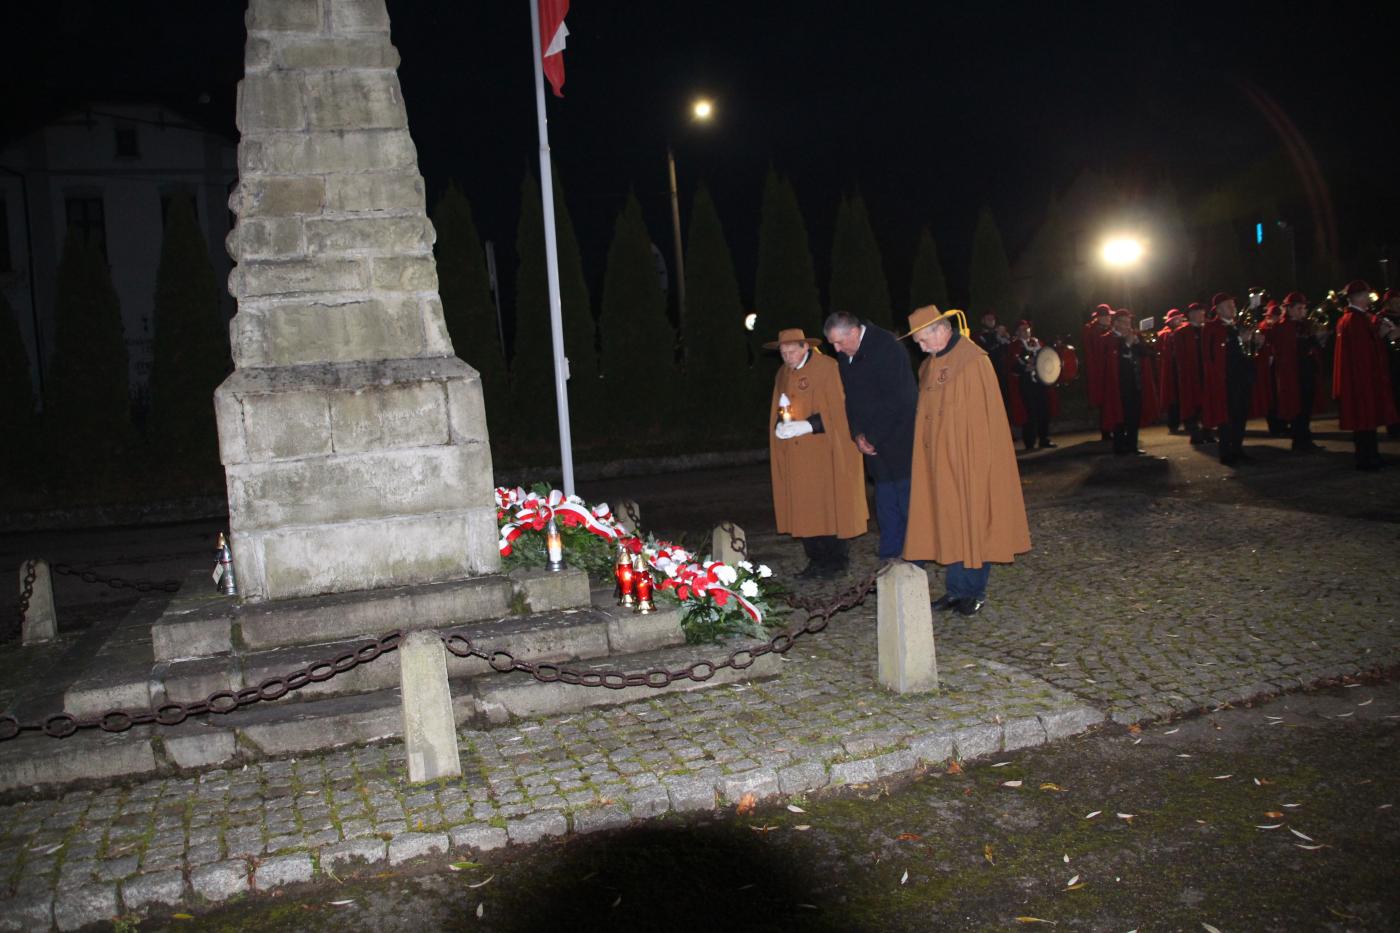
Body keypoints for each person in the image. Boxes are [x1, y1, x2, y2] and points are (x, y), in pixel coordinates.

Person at [901, 305, 1031, 616]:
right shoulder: (929, 365)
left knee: (973, 521)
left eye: (923, 340)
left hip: (969, 461)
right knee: (951, 523)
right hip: (939, 463)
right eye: (917, 343)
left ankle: (974, 591)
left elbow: (984, 419)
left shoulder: (972, 361)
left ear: (941, 330)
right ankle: (956, 590)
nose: (921, 348)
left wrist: (975, 463)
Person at [766, 328, 869, 579]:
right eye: (783, 353)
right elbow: (780, 407)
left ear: (805, 347)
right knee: (804, 508)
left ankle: (836, 561)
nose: (787, 357)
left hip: (824, 452)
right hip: (796, 456)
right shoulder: (783, 373)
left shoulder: (827, 368)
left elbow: (841, 411)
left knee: (828, 505)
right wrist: (780, 427)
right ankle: (815, 560)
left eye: (792, 351)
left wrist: (809, 425)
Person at [824, 310, 919, 561]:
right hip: (870, 441)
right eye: (832, 343)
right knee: (884, 498)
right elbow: (851, 399)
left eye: (839, 342)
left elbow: (900, 399)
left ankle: (915, 553)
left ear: (854, 332)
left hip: (899, 437)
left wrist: (873, 437)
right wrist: (857, 433)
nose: (836, 349)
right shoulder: (846, 354)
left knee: (906, 497)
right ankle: (890, 552)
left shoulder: (887, 347)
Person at [1333, 280, 1398, 470]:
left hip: (1361, 375)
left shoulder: (1354, 318)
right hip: (1362, 377)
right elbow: (1363, 351)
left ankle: (1371, 455)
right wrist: (1381, 335)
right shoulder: (1355, 320)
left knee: (1366, 418)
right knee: (1364, 418)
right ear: (1359, 297)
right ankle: (1366, 458)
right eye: (1367, 296)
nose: (1369, 299)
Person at [1202, 292, 1260, 466]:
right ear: (1218, 310)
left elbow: (1247, 352)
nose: (1233, 308)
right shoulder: (1212, 327)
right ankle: (1226, 452)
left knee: (1241, 415)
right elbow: (1214, 352)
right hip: (1226, 377)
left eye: (1233, 305)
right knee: (1227, 416)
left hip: (1242, 376)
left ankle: (1237, 448)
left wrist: (1255, 342)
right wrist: (1238, 339)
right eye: (1228, 305)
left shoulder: (1237, 325)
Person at [1264, 292, 1326, 452]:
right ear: (1289, 309)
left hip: (1307, 371)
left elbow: (1312, 346)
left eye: (1304, 308)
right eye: (1299, 308)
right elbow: (1285, 351)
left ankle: (1305, 439)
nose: (1303, 311)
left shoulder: (1304, 325)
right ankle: (1300, 441)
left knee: (1306, 407)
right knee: (1298, 408)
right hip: (1294, 373)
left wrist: (1318, 338)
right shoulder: (1281, 327)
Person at [1097, 308, 1159, 455]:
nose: (1128, 326)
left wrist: (1138, 343)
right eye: (1124, 322)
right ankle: (1119, 447)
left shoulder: (1134, 337)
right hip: (1119, 385)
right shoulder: (1107, 339)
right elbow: (1111, 360)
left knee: (1134, 416)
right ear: (1116, 323)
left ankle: (1132, 445)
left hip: (1135, 382)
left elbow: (1147, 354)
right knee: (1119, 416)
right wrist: (1127, 344)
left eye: (1129, 322)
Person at [1007, 320, 1055, 450]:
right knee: (1030, 412)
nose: (1025, 331)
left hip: (1041, 381)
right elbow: (1011, 365)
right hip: (1026, 383)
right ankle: (1030, 441)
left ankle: (1044, 438)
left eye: (1027, 328)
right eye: (1022, 329)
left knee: (1044, 410)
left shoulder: (1038, 342)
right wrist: (1025, 368)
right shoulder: (1014, 346)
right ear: (1017, 332)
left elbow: (1047, 357)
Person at [1174, 302, 1212, 445]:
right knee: (1192, 405)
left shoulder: (1207, 329)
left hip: (1205, 371)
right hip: (1190, 374)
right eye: (1198, 312)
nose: (1201, 315)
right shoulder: (1181, 332)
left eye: (1202, 312)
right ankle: (1195, 434)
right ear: (1190, 315)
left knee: (1207, 404)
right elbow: (1179, 356)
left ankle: (1207, 432)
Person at [1082, 304, 1113, 440]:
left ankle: (1113, 428)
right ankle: (1106, 431)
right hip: (1100, 370)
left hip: (1109, 368)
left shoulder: (1107, 329)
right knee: (1105, 402)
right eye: (1107, 316)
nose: (1109, 319)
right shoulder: (1091, 330)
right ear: (1100, 317)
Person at [1156, 308, 1186, 433]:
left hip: (1183, 369)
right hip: (1171, 371)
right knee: (1173, 399)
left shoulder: (1184, 331)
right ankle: (1173, 424)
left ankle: (1188, 422)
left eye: (1179, 319)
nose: (1179, 321)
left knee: (1184, 397)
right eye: (1176, 319)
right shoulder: (1165, 334)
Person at [1379, 289, 1400, 439]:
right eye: (1395, 302)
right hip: (1391, 361)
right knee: (1394, 395)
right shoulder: (1382, 318)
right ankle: (1394, 427)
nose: (1398, 305)